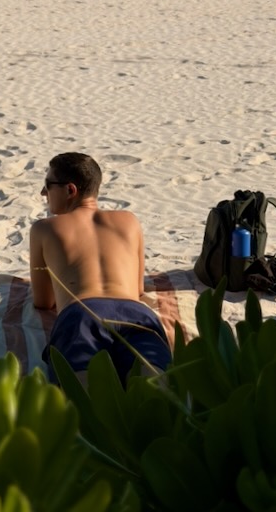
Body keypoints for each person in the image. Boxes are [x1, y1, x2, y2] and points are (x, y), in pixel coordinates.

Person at [29, 152, 171, 385]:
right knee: (156, 393)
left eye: (47, 185)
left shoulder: (44, 229)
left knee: (86, 401)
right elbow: (137, 289)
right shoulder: (129, 220)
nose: (43, 193)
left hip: (82, 315)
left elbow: (43, 301)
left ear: (70, 190)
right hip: (135, 314)